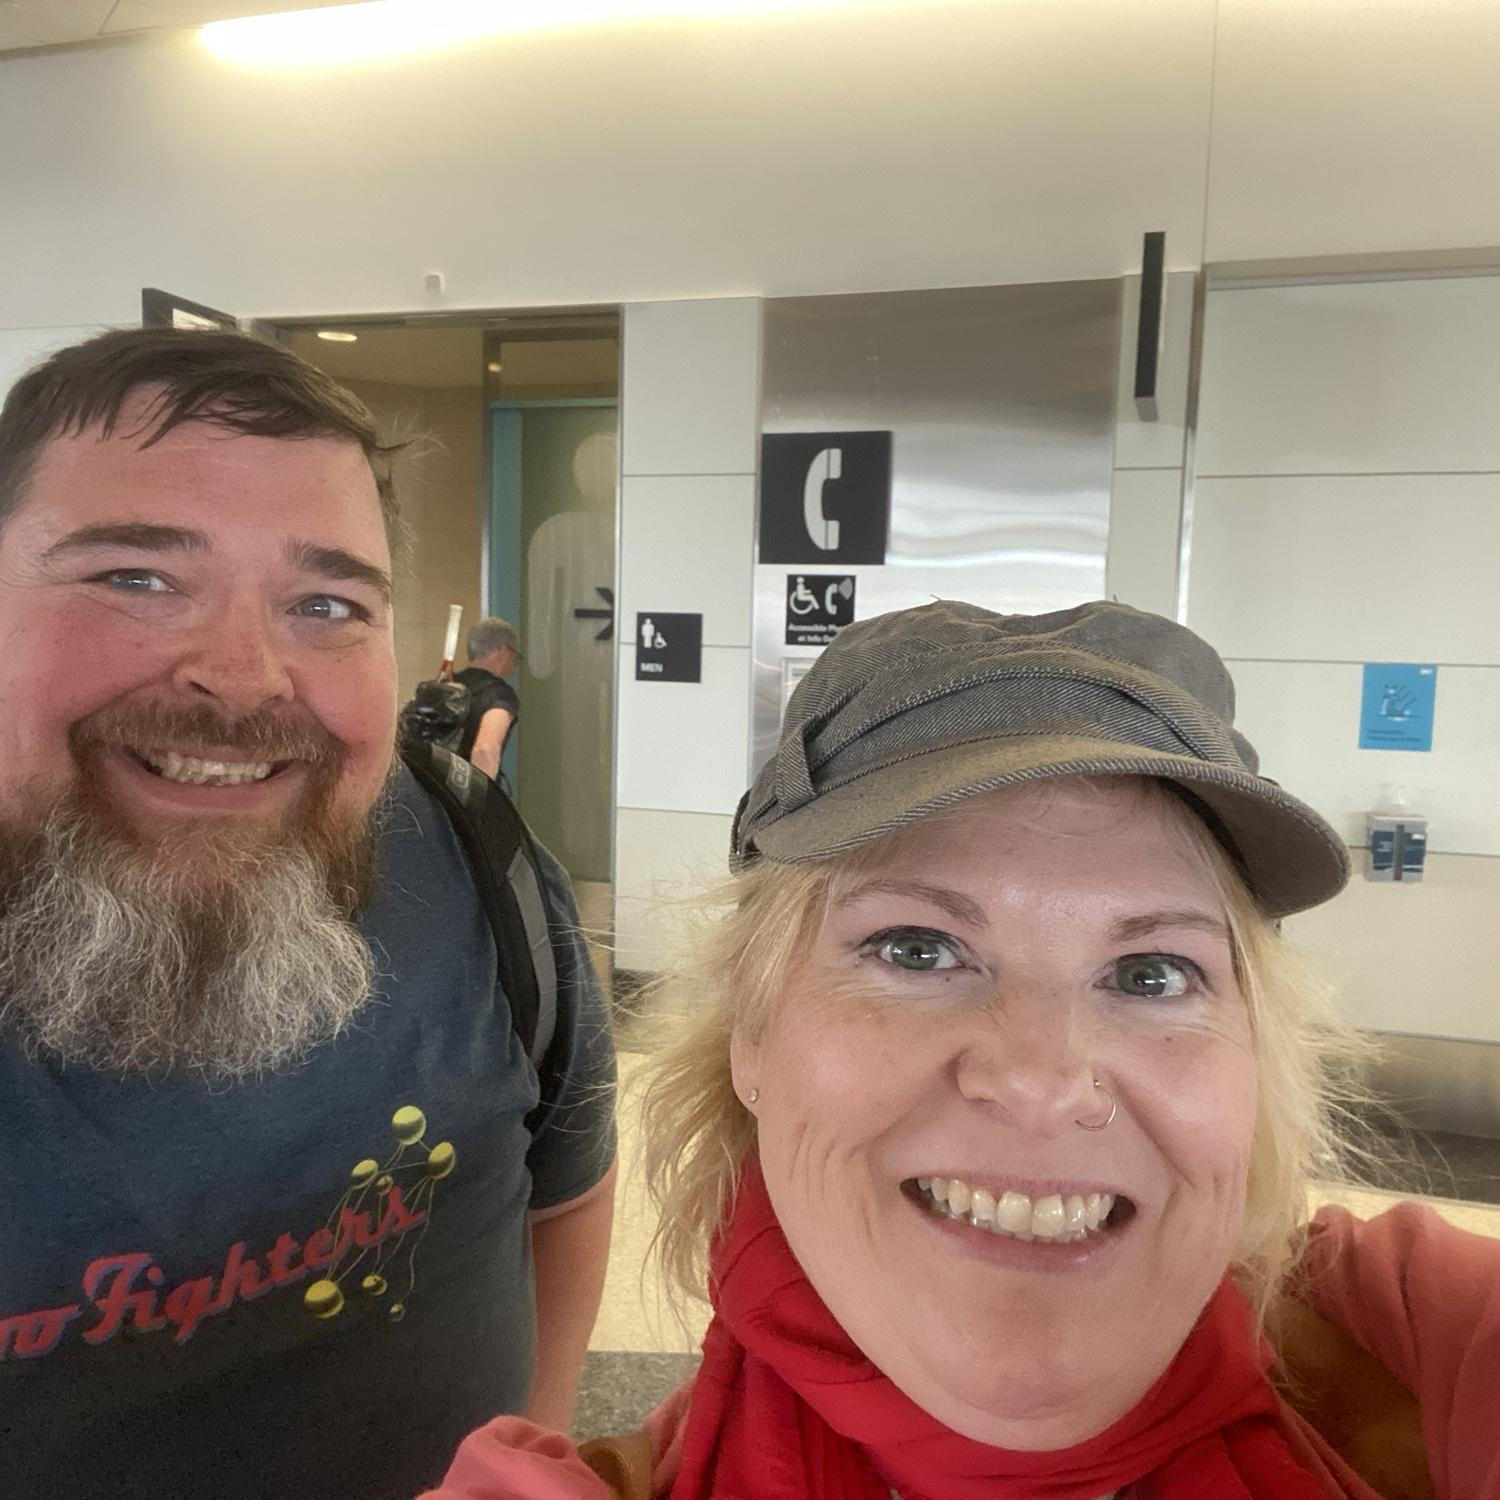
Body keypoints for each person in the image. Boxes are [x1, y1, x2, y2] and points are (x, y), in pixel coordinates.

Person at [425, 600, 1499, 1500]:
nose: (1041, 1080)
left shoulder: (1415, 1343)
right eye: (916, 948)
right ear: (753, 1033)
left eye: (1151, 974)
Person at [0, 328, 618, 1500]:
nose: (242, 676)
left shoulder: (477, 861)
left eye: (327, 603)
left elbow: (563, 1188)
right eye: (135, 577)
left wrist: (526, 1459)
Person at [455, 616, 522, 780]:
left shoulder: (444, 684)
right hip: (461, 788)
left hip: (427, 789)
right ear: (502, 653)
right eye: (516, 657)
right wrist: (480, 793)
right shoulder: (499, 694)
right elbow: (485, 750)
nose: (515, 665)